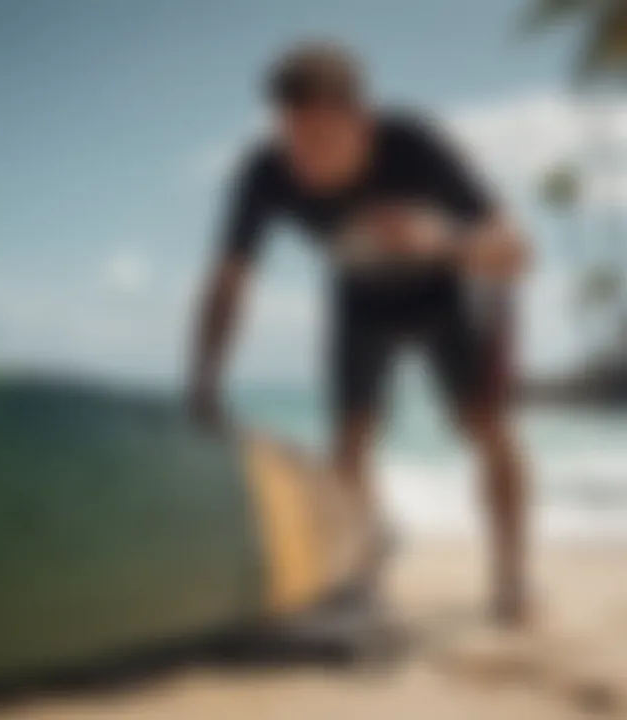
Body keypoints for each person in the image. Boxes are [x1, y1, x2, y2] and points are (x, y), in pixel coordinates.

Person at [188, 41, 530, 625]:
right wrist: (204, 385)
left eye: (322, 138)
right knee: (349, 445)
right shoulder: (266, 173)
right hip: (359, 302)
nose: (306, 158)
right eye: (294, 137)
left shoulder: (415, 149)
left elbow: (515, 251)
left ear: (362, 124)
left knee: (486, 429)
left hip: (440, 293)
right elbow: (228, 283)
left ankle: (511, 582)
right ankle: (362, 582)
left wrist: (441, 243)